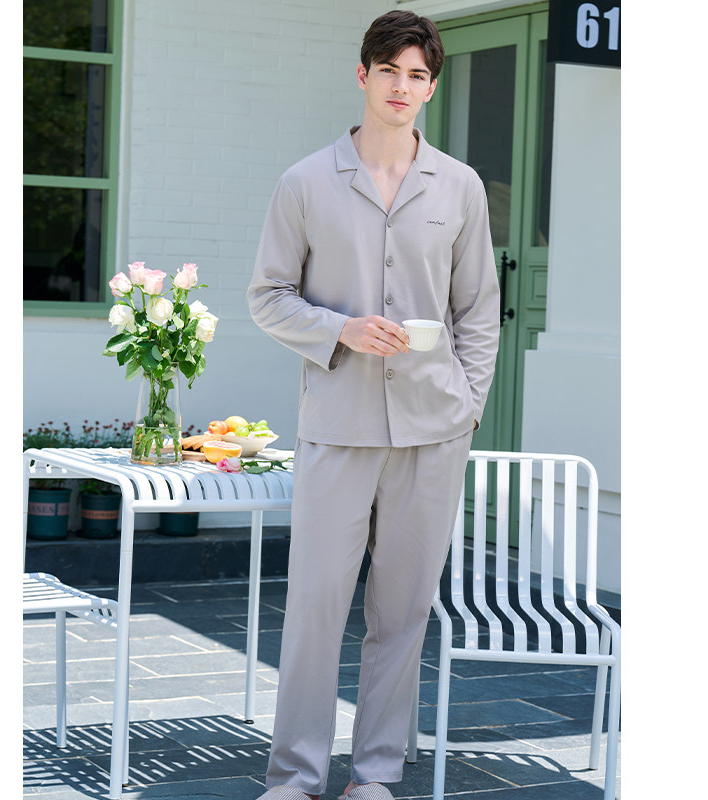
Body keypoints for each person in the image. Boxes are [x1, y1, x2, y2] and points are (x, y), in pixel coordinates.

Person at [247, 10, 500, 800]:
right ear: (363, 75)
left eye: (417, 74)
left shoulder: (459, 187)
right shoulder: (305, 182)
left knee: (403, 611)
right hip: (338, 427)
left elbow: (479, 310)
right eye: (389, 70)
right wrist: (342, 330)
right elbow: (267, 296)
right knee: (315, 607)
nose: (401, 85)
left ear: (431, 87)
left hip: (434, 429)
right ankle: (295, 775)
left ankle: (377, 774)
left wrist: (468, 403)